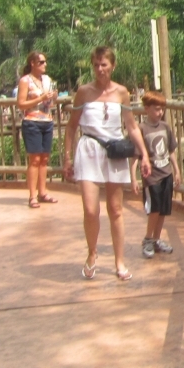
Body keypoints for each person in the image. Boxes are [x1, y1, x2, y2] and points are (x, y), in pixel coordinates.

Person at [64, 47, 151, 282]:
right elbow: (72, 126)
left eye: (104, 65)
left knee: (115, 209)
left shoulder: (122, 93)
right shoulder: (83, 93)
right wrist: (67, 157)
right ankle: (92, 253)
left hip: (114, 150)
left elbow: (131, 125)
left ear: (112, 66)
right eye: (96, 65)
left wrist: (144, 154)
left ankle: (119, 261)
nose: (100, 69)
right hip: (90, 150)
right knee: (91, 209)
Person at [129, 91, 182, 259]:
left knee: (163, 210)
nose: (160, 113)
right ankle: (148, 239)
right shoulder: (141, 130)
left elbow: (170, 150)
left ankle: (157, 239)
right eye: (156, 109)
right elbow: (135, 157)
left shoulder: (165, 127)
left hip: (166, 173)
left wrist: (176, 169)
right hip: (151, 177)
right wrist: (133, 178)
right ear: (147, 109)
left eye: (162, 109)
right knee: (154, 209)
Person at [17, 51, 58, 209]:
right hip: (32, 121)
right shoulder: (25, 80)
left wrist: (52, 97)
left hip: (47, 121)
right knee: (34, 159)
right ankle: (32, 195)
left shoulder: (47, 80)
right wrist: (40, 98)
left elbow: (51, 103)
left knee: (44, 159)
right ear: (32, 63)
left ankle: (43, 192)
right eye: (41, 62)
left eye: (45, 62)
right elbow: (21, 104)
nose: (44, 65)